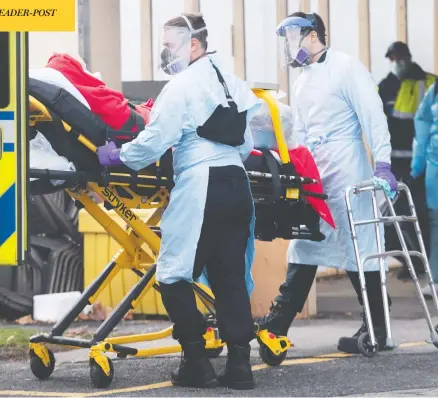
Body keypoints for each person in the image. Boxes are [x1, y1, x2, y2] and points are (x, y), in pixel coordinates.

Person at [96, 13, 261, 390]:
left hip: (203, 185)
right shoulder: (231, 83)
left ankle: (197, 362)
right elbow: (247, 145)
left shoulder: (182, 85)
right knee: (229, 274)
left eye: (170, 45)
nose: (164, 52)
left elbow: (156, 139)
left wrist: (118, 156)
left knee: (172, 273)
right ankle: (239, 365)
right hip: (238, 184)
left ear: (192, 44)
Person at [257, 12, 397, 354]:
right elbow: (301, 131)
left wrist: (383, 163)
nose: (290, 47)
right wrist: (297, 169)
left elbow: (372, 114)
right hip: (317, 172)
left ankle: (378, 327)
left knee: (358, 249)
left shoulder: (346, 67)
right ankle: (277, 325)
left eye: (294, 38)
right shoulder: (302, 80)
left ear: (314, 36)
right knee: (307, 242)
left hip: (348, 169)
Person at [378, 42, 436, 281]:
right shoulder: (386, 86)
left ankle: (425, 263)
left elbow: (421, 125)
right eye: (392, 58)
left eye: (399, 58)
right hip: (397, 163)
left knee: (426, 217)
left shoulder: (430, 82)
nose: (397, 63)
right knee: (391, 216)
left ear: (408, 58)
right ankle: (413, 261)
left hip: (423, 163)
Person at [410, 79, 438, 298]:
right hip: (435, 166)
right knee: (436, 221)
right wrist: (418, 163)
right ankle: (436, 278)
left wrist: (418, 164)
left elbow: (423, 125)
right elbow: (423, 126)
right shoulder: (434, 90)